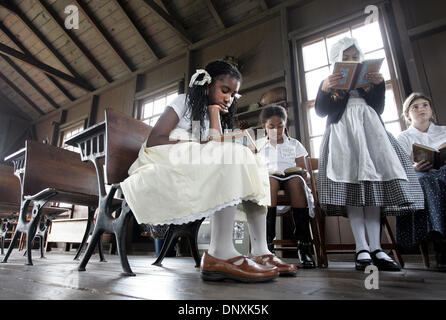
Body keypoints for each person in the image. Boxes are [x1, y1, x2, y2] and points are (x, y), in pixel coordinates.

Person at [120, 60, 297, 282]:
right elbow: (156, 140)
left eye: (233, 95)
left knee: (254, 161)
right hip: (165, 154)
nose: (228, 98)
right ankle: (219, 252)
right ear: (206, 84)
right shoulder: (183, 101)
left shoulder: (211, 112)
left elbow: (215, 143)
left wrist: (214, 114)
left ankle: (261, 251)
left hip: (195, 157)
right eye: (225, 90)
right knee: (231, 156)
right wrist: (200, 146)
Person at [314, 37, 424, 271]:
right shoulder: (329, 82)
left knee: (374, 189)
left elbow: (379, 108)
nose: (352, 61)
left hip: (371, 134)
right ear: (337, 60)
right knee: (353, 187)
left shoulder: (372, 82)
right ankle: (361, 248)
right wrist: (325, 89)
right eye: (346, 57)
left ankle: (377, 248)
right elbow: (322, 111)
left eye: (355, 57)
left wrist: (378, 86)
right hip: (343, 135)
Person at [257, 104, 316, 268]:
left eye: (280, 126)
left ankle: (304, 246)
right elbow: (254, 169)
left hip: (292, 178)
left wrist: (306, 174)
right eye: (271, 127)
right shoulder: (260, 146)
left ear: (285, 125)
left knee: (297, 180)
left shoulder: (294, 144)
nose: (276, 130)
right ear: (264, 127)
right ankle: (267, 246)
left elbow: (303, 169)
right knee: (270, 180)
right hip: (270, 179)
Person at [396, 92, 446, 270]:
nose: (421, 109)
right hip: (421, 176)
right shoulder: (404, 137)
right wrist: (414, 168)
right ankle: (441, 245)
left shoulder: (444, 130)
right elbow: (399, 166)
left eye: (425, 105)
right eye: (415, 107)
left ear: (431, 110)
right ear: (408, 115)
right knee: (428, 182)